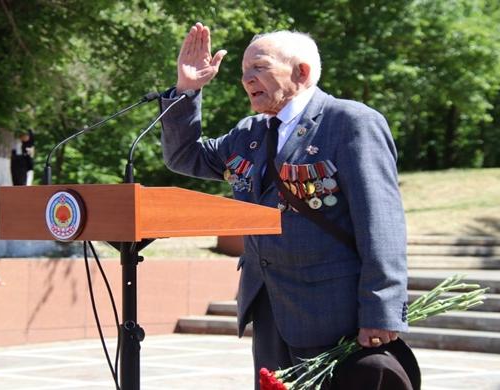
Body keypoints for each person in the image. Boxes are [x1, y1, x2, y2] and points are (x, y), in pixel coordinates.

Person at [160, 23, 417, 389]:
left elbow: (382, 224)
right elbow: (184, 156)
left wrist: (382, 310)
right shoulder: (249, 133)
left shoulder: (350, 123)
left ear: (302, 71)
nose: (246, 79)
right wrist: (187, 90)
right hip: (269, 311)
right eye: (244, 71)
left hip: (333, 312)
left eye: (259, 67)